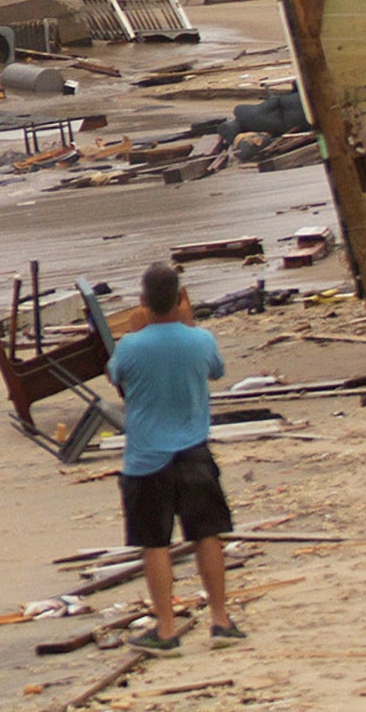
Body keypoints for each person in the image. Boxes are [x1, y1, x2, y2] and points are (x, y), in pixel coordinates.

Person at [105, 261, 242, 652]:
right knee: (207, 534)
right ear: (180, 298)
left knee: (155, 544)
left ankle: (165, 627)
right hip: (193, 450)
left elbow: (115, 374)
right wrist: (190, 326)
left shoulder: (132, 345)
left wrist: (136, 334)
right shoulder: (200, 340)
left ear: (144, 302)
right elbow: (215, 371)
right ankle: (220, 619)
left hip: (148, 457)